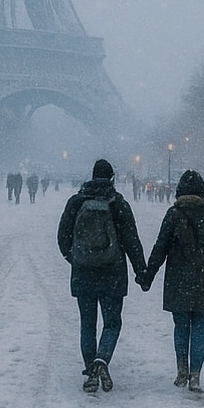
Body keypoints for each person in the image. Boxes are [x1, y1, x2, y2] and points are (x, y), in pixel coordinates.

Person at [57, 159, 147, 393]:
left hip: (83, 273)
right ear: (111, 178)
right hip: (113, 273)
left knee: (87, 324)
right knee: (112, 322)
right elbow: (131, 241)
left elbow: (62, 237)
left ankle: (90, 371)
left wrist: (76, 258)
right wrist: (141, 272)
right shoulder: (118, 204)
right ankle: (102, 359)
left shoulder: (77, 202)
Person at [140, 170, 204, 392]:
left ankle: (182, 370)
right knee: (200, 329)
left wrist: (148, 276)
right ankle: (196, 376)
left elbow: (159, 248)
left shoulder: (173, 215)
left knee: (181, 328)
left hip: (177, 279)